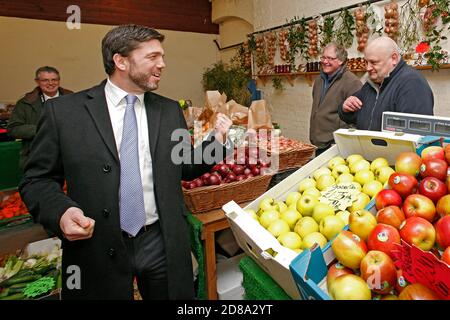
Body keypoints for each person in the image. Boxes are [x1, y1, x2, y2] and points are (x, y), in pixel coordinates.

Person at [19, 24, 233, 300]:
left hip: (161, 243)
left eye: (162, 56)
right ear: (120, 61)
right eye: (152, 57)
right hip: (97, 245)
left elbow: (186, 167)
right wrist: (60, 212)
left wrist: (218, 141)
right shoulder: (64, 113)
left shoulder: (169, 111)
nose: (162, 64)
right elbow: (37, 180)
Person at [338, 36, 434, 130]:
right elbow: (354, 117)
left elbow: (416, 131)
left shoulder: (412, 83)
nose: (368, 68)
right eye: (366, 62)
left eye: (373, 62)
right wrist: (345, 109)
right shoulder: (372, 83)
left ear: (394, 59)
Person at [7, 66, 73, 169]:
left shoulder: (72, 99)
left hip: (68, 157)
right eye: (45, 80)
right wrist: (42, 129)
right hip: (36, 159)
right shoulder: (25, 102)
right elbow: (13, 129)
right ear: (37, 82)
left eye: (54, 80)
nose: (50, 83)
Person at [310, 43, 362, 156]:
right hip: (319, 143)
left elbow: (357, 119)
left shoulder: (352, 82)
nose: (325, 61)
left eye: (330, 58)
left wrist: (340, 141)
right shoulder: (319, 80)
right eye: (323, 57)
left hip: (335, 146)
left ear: (341, 61)